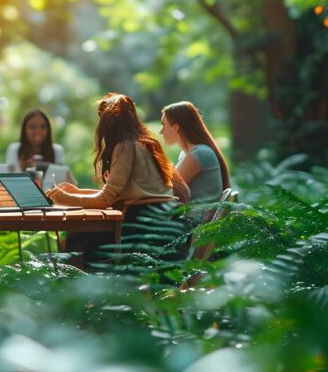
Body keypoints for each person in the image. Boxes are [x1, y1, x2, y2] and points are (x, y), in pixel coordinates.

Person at [46, 93, 189, 263]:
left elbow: (107, 198)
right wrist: (79, 192)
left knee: (77, 235)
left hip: (140, 224)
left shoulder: (125, 146)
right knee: (79, 234)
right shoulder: (146, 144)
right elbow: (123, 192)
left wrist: (66, 198)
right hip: (163, 218)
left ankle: (79, 285)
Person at [159, 101, 230, 213]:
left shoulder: (199, 153)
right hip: (191, 217)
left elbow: (169, 189)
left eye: (163, 125)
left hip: (195, 222)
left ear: (176, 127)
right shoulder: (188, 153)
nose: (161, 132)